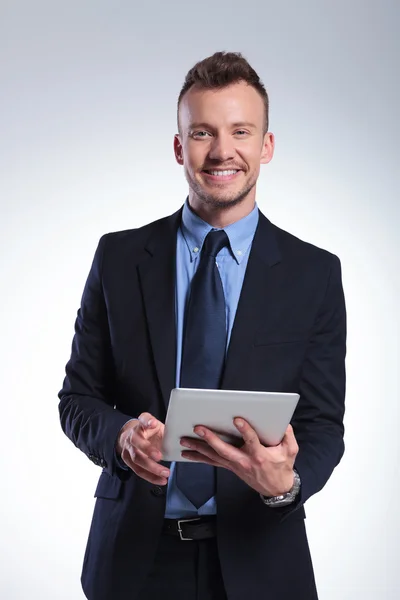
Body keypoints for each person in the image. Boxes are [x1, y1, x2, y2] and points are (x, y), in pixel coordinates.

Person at [58, 51, 346, 600]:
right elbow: (77, 398)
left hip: (262, 558)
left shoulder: (315, 273)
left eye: (241, 131)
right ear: (178, 147)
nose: (221, 151)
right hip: (133, 562)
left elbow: (323, 424)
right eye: (202, 132)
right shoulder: (119, 259)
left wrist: (287, 483)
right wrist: (121, 438)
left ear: (266, 145)